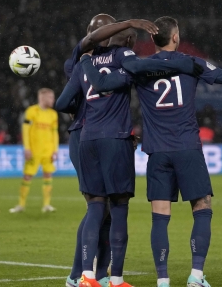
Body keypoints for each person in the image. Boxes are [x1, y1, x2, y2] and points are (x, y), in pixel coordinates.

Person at [81, 16, 222, 287]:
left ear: (153, 39)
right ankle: (196, 276)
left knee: (160, 215)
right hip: (187, 147)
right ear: (176, 37)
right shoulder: (192, 64)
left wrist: (85, 59)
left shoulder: (138, 66)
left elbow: (104, 84)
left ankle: (163, 280)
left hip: (157, 151)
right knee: (202, 207)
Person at [56, 23, 203, 287]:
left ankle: (85, 276)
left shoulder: (80, 59)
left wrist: (81, 110)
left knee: (95, 208)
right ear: (130, 40)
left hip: (86, 138)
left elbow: (62, 103)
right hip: (115, 139)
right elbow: (121, 76)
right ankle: (114, 278)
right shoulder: (124, 60)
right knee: (119, 209)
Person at [63, 15, 159, 287]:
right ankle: (77, 275)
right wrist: (131, 23)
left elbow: (64, 101)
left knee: (102, 207)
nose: (105, 37)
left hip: (99, 135)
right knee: (98, 205)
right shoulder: (81, 56)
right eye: (102, 33)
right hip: (84, 135)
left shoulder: (104, 58)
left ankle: (101, 274)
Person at [9, 88, 59, 213]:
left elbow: (55, 133)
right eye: (51, 97)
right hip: (34, 151)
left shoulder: (53, 114)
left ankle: (46, 205)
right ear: (42, 98)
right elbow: (25, 130)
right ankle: (21, 205)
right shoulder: (31, 111)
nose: (53, 100)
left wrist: (55, 150)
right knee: (27, 176)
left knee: (48, 175)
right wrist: (27, 148)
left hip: (48, 151)